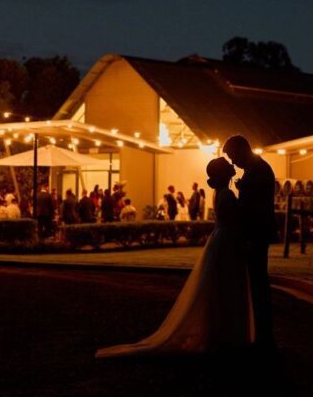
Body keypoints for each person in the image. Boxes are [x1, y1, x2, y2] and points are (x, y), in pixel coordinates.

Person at [95, 157, 253, 357]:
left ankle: (220, 332)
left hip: (221, 239)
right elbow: (234, 219)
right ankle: (227, 334)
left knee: (218, 285)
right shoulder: (227, 194)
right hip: (227, 240)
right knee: (225, 284)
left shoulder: (222, 193)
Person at [223, 134, 276, 352]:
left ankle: (263, 335)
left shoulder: (259, 171)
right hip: (254, 233)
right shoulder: (256, 169)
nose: (233, 162)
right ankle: (259, 332)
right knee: (255, 282)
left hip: (256, 234)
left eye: (234, 156)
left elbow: (254, 208)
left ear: (242, 150)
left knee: (258, 282)